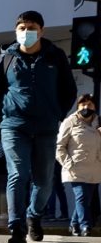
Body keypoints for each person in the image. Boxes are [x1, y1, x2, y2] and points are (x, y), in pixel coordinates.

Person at [0, 10, 76, 243]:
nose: (26, 32)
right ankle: (17, 228)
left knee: (44, 181)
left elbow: (69, 90)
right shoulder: (6, 58)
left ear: (41, 31)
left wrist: (57, 114)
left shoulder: (55, 56)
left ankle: (34, 215)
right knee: (18, 174)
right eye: (22, 28)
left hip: (46, 128)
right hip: (14, 126)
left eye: (32, 28)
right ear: (15, 31)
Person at [56, 93, 101, 237]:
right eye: (83, 104)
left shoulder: (98, 122)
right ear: (78, 106)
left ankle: (74, 224)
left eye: (89, 104)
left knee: (85, 199)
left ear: (95, 107)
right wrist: (68, 163)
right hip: (76, 168)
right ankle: (85, 226)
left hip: (94, 168)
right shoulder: (70, 122)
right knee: (81, 196)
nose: (86, 107)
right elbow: (59, 146)